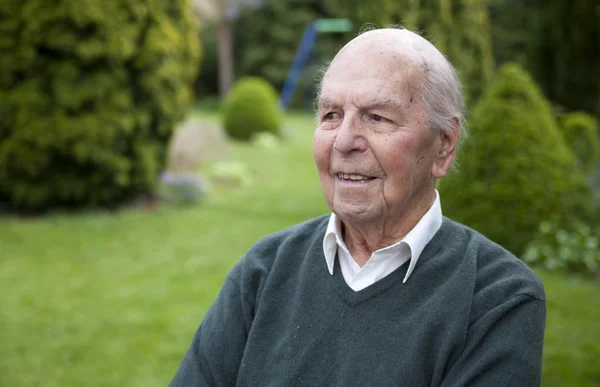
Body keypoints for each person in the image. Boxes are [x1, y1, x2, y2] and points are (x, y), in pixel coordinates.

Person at [170, 27, 546, 387]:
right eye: (331, 115)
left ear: (443, 146)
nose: (344, 141)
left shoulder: (497, 299)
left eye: (377, 117)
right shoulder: (264, 270)